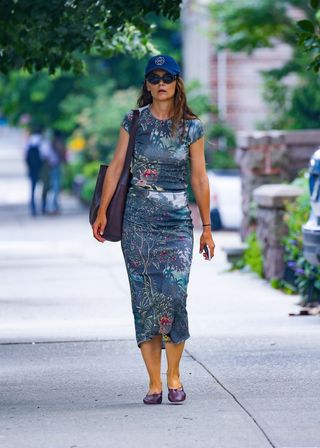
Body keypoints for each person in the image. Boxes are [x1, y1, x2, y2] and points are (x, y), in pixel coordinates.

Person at [92, 54, 215, 404]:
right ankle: (154, 382)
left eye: (168, 77)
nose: (161, 83)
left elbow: (199, 177)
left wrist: (206, 227)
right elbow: (116, 168)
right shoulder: (134, 122)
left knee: (175, 295)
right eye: (154, 77)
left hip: (177, 222)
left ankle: (174, 375)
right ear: (147, 84)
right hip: (138, 220)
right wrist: (102, 212)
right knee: (145, 298)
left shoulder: (192, 127)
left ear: (177, 83)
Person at [24, 127, 44, 216]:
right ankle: (43, 207)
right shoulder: (42, 141)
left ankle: (33, 208)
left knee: (32, 189)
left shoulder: (29, 143)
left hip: (32, 169)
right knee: (45, 188)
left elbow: (26, 158)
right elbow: (46, 155)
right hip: (41, 169)